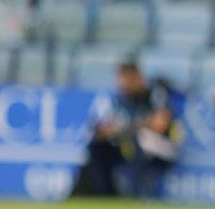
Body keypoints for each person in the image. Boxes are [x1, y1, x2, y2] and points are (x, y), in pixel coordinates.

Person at [71, 60, 181, 199]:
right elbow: (101, 129)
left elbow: (160, 124)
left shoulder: (155, 93)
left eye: (128, 80)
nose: (124, 85)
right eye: (121, 80)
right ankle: (104, 194)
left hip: (163, 146)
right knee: (97, 147)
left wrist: (126, 128)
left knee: (141, 140)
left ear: (138, 77)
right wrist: (122, 129)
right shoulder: (117, 100)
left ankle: (135, 195)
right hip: (127, 142)